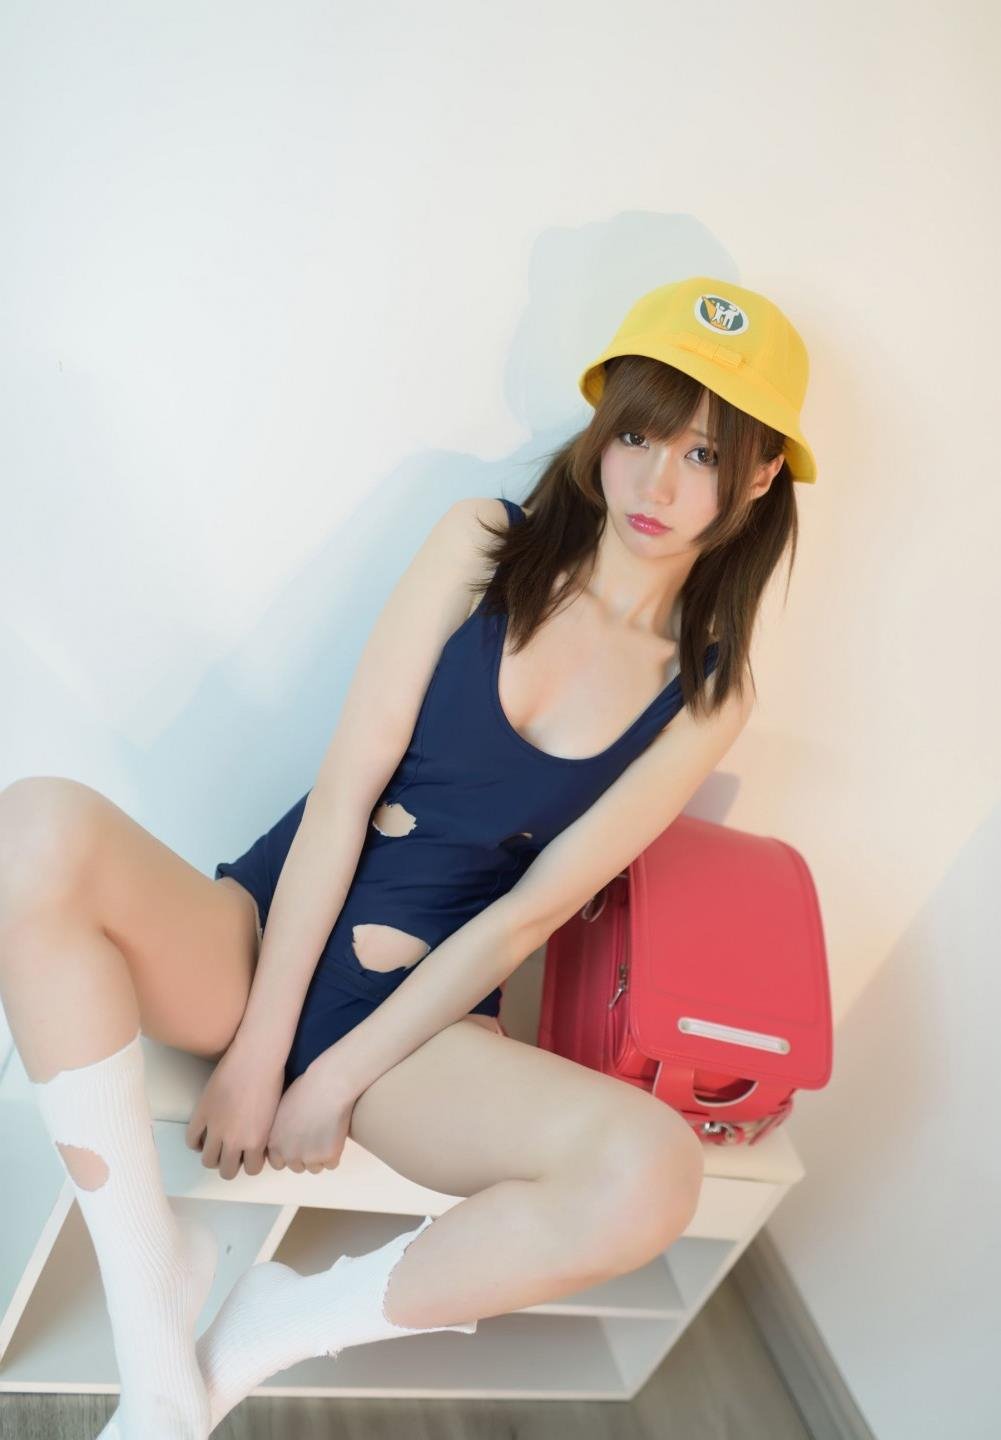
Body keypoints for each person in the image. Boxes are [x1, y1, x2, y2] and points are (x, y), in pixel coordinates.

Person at [0, 274, 817, 1437]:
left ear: (759, 475)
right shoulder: (485, 545)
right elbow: (343, 793)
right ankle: (151, 1314)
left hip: (415, 1042)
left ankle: (259, 1336)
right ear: (603, 429)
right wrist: (260, 1051)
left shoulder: (704, 692)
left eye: (702, 455)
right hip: (258, 945)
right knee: (33, 825)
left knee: (654, 1174)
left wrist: (331, 1080)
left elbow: (527, 916)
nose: (655, 482)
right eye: (638, 435)